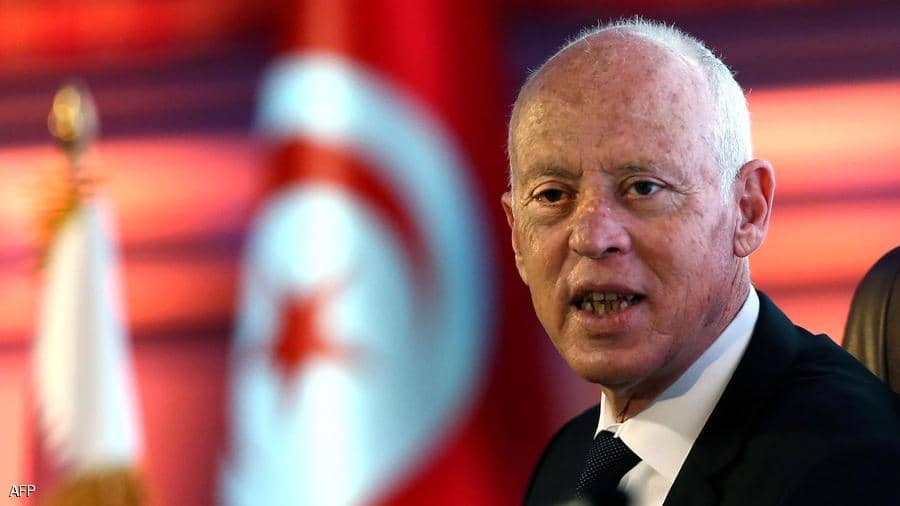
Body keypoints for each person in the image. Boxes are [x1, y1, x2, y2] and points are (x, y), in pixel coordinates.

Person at [502, 18, 900, 506]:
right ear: (516, 235)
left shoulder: (848, 468)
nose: (592, 237)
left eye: (643, 187)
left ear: (748, 210)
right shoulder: (567, 463)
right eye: (552, 196)